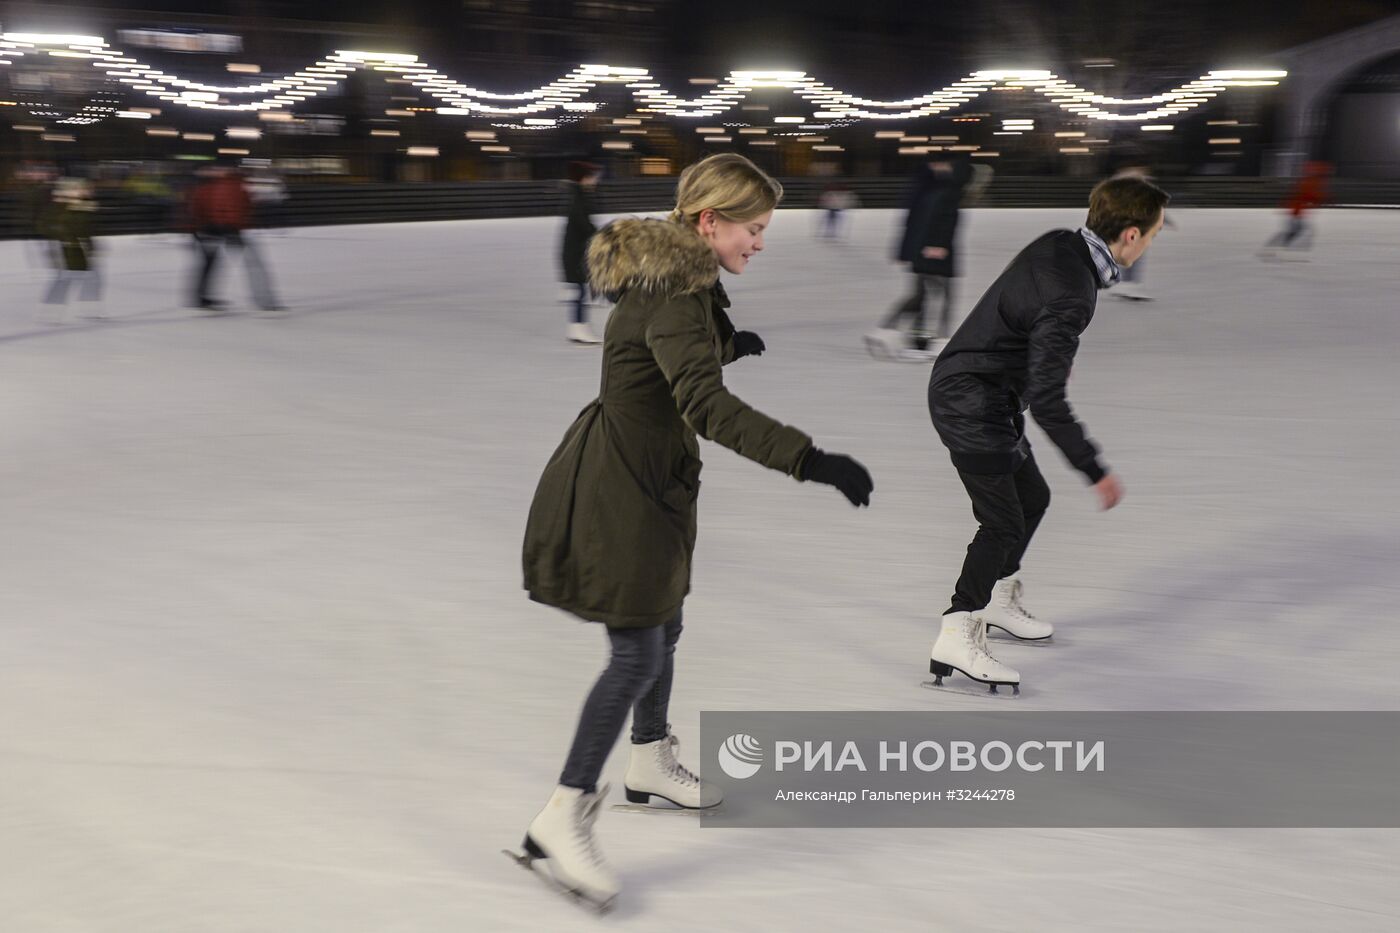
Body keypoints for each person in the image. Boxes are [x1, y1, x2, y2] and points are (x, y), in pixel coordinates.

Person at [518, 153, 874, 908]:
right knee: (636, 650)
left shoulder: (684, 283)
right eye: (753, 227)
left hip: (653, 477)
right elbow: (705, 407)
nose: (760, 242)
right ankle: (562, 814)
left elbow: (666, 357)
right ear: (709, 222)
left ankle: (648, 757)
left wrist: (727, 344)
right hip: (625, 488)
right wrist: (811, 460)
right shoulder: (680, 292)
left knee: (665, 624)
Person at [925, 175, 1168, 693]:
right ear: (1129, 235)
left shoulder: (1064, 244)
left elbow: (1021, 309)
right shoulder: (1073, 292)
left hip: (990, 392)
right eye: (1152, 234)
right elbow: (1052, 405)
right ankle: (958, 626)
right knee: (1002, 522)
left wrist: (1041, 360)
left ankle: (996, 602)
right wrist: (1094, 468)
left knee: (1032, 497)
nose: (1151, 243)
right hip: (970, 402)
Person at [865, 157, 971, 361]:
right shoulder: (945, 193)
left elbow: (913, 223)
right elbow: (940, 222)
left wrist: (908, 251)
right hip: (936, 252)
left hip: (924, 250)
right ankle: (938, 340)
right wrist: (935, 246)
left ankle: (901, 337)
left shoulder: (928, 191)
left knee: (920, 295)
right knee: (943, 296)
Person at [184, 164, 282, 311]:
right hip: (226, 230)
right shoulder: (233, 185)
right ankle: (265, 300)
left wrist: (194, 232)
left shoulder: (209, 186)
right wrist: (232, 227)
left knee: (209, 264)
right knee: (253, 264)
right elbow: (241, 207)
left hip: (211, 230)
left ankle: (201, 297)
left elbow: (195, 210)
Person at [39, 177, 103, 323]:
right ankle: (49, 312)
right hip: (66, 248)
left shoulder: (85, 205)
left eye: (88, 189)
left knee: (89, 279)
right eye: (83, 188)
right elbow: (45, 225)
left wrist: (91, 245)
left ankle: (89, 310)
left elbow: (87, 228)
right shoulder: (60, 206)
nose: (88, 191)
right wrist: (65, 237)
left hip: (80, 248)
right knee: (65, 280)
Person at [560, 161, 602, 344]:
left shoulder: (579, 196)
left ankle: (577, 327)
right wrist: (601, 236)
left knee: (580, 291)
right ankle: (578, 327)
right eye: (592, 177)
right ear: (584, 178)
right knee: (579, 292)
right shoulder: (578, 198)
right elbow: (583, 225)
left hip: (576, 253)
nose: (595, 181)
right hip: (575, 255)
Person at [1260, 161, 1330, 260]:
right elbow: (1309, 194)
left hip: (1297, 210)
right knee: (1295, 230)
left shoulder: (1311, 181)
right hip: (1296, 210)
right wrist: (1319, 199)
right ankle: (1277, 248)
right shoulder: (1310, 181)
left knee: (1295, 230)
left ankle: (1275, 248)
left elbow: (1310, 195)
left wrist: (1318, 199)